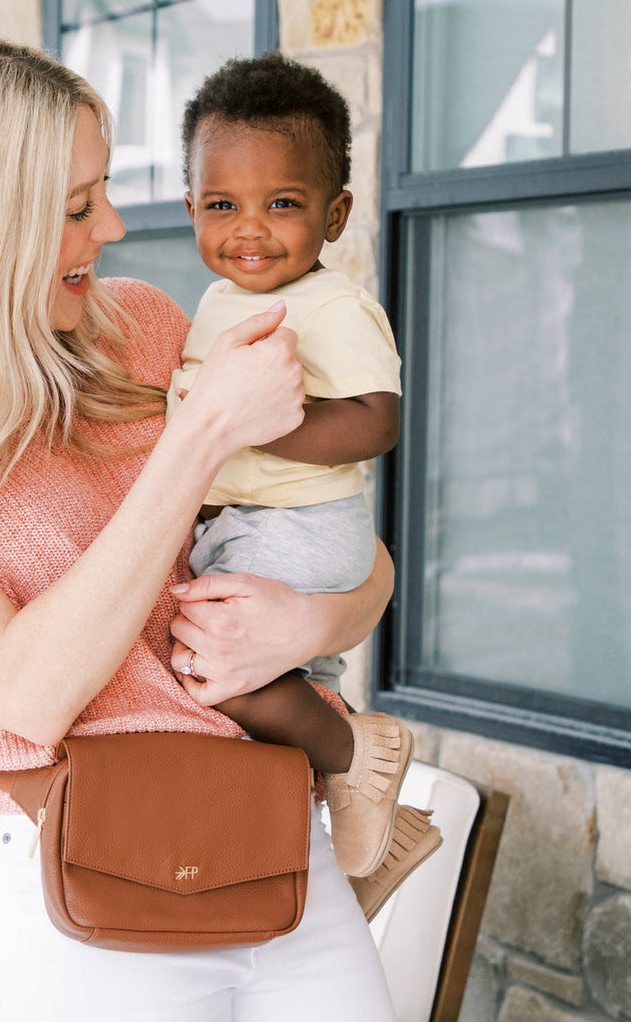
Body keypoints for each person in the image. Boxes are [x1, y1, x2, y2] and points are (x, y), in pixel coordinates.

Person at [0, 33, 399, 1021]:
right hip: (73, 886)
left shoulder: (140, 327)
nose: (117, 225)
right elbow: (28, 693)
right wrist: (201, 432)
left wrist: (307, 627)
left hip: (276, 846)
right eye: (76, 206)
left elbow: (358, 556)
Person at [167, 51, 436, 884]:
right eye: (223, 205)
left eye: (282, 204)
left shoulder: (333, 306)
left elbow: (376, 420)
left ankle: (361, 751)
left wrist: (259, 422)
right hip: (245, 528)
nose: (249, 229)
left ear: (335, 213)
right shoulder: (217, 300)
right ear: (192, 210)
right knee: (287, 690)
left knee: (224, 675)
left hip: (303, 527)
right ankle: (368, 823)